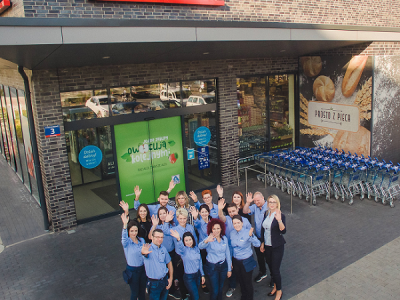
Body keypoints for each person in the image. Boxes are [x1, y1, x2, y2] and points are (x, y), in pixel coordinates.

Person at [217, 199, 252, 298]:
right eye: (230, 212)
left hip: (242, 251)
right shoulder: (227, 219)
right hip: (230, 250)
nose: (232, 213)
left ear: (237, 209)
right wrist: (220, 209)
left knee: (243, 272)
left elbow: (250, 235)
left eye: (233, 211)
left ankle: (245, 287)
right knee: (231, 268)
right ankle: (232, 286)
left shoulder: (244, 221)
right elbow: (221, 217)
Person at [260, 195, 286, 300]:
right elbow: (263, 229)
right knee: (271, 267)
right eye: (270, 202)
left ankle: (279, 291)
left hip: (277, 246)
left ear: (277, 203)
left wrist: (279, 221)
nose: (271, 204)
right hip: (267, 246)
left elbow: (283, 231)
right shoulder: (266, 213)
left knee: (275, 270)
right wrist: (262, 242)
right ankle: (275, 286)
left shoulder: (280, 215)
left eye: (273, 202)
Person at [198, 218, 232, 300]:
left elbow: (227, 253)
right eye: (214, 229)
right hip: (213, 267)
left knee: (220, 288)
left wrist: (229, 269)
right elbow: (200, 246)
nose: (216, 231)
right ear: (211, 229)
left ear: (221, 229)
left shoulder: (224, 239)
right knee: (215, 290)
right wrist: (206, 241)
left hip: (223, 266)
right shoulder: (209, 239)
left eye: (218, 228)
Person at [243, 191, 271, 285]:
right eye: (254, 201)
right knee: (260, 257)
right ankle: (263, 272)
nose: (256, 202)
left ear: (263, 198)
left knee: (269, 258)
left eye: (258, 200)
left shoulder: (269, 207)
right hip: (258, 237)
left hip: (268, 238)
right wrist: (248, 202)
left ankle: (274, 277)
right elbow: (245, 211)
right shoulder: (255, 206)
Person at [170, 208, 198, 300]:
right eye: (180, 218)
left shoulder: (190, 227)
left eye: (184, 218)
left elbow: (195, 240)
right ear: (177, 218)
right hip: (180, 257)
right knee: (182, 277)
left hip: (191, 254)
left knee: (192, 275)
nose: (182, 220)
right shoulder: (174, 230)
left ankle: (191, 292)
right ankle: (184, 295)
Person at [230, 215, 260, 300]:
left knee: (247, 283)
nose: (236, 225)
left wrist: (251, 236)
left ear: (242, 223)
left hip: (246, 261)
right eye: (234, 223)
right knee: (240, 281)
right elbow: (231, 247)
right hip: (236, 261)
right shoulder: (232, 233)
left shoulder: (248, 232)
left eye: (238, 223)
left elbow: (257, 244)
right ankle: (243, 297)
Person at [170, 230, 205, 300]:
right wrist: (178, 239)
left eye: (190, 239)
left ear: (193, 239)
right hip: (189, 277)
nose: (189, 242)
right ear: (184, 242)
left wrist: (202, 275)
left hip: (197, 275)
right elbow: (180, 246)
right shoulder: (184, 251)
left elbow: (200, 262)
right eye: (186, 240)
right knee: (196, 296)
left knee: (194, 294)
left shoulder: (196, 248)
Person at [141, 229, 174, 300]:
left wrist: (170, 278)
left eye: (161, 237)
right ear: (152, 237)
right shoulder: (148, 249)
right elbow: (144, 254)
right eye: (157, 237)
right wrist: (143, 253)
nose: (160, 239)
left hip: (165, 280)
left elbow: (169, 262)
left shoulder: (163, 249)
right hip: (154, 283)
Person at [121, 213, 147, 300]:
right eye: (131, 231)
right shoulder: (127, 243)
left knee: (142, 291)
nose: (134, 233)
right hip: (132, 271)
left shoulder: (141, 240)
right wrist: (125, 225)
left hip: (142, 269)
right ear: (128, 231)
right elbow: (123, 238)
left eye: (135, 231)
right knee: (135, 292)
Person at [191, 204, 211, 294]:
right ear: (199, 213)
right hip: (203, 248)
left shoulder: (212, 221)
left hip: (212, 248)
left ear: (208, 212)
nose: (204, 213)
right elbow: (196, 223)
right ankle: (204, 284)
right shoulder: (199, 223)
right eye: (202, 212)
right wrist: (195, 218)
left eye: (205, 212)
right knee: (203, 265)